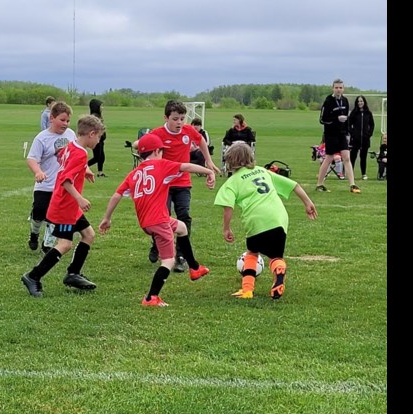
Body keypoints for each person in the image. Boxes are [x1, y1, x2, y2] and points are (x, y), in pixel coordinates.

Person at [98, 133, 216, 307]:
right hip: (159, 222)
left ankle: (194, 268)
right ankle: (151, 297)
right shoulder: (162, 164)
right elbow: (187, 167)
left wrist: (107, 218)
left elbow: (116, 195)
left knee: (182, 228)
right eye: (162, 151)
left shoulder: (133, 174)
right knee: (168, 261)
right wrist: (209, 171)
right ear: (157, 151)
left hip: (147, 222)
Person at [215, 141, 318, 300]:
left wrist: (226, 228)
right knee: (276, 256)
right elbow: (294, 185)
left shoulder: (233, 181)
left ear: (230, 162)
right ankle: (279, 270)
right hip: (279, 218)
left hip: (257, 220)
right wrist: (308, 203)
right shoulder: (263, 171)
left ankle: (247, 290)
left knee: (252, 253)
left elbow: (228, 207)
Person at [21, 114, 105, 297]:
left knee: (89, 235)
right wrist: (80, 199)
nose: (99, 141)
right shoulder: (81, 153)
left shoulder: (71, 145)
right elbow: (66, 181)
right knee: (65, 244)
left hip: (69, 205)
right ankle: (33, 276)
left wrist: (85, 169)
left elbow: (63, 160)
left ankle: (73, 274)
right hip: (65, 205)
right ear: (91, 134)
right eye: (98, 137)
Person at [145, 100, 220, 271]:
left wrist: (208, 160)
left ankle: (180, 255)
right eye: (175, 119)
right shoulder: (157, 134)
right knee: (162, 216)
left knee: (184, 216)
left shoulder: (188, 131)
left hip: (183, 182)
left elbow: (200, 141)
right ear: (166, 117)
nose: (179, 122)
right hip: (163, 184)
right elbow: (146, 150)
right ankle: (157, 245)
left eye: (182, 119)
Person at [25, 101, 76, 253]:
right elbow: (32, 158)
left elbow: (75, 155)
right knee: (39, 212)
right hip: (45, 184)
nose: (65, 124)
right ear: (51, 118)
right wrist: (38, 172)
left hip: (62, 185)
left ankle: (47, 244)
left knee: (55, 215)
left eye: (68, 121)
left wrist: (85, 169)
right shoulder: (42, 138)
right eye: (62, 120)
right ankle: (34, 234)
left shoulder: (71, 135)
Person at [314, 79, 361, 193]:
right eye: (336, 88)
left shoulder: (345, 101)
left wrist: (347, 131)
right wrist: (336, 119)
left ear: (343, 89)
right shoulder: (328, 101)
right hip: (330, 134)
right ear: (333, 88)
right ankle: (319, 184)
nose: (338, 90)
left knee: (346, 157)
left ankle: (352, 185)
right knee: (329, 158)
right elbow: (322, 119)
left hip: (342, 134)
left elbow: (346, 118)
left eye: (340, 88)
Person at [348, 95, 376, 180]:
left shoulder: (368, 113)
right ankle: (351, 173)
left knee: (363, 157)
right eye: (358, 101)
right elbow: (349, 124)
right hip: (355, 139)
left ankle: (364, 174)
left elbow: (372, 124)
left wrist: (369, 134)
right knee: (353, 156)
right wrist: (353, 134)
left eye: (361, 101)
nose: (360, 103)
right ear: (357, 103)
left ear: (364, 102)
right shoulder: (354, 112)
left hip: (365, 139)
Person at [86, 98, 108, 177]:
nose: (102, 108)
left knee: (102, 156)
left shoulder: (99, 116)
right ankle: (83, 166)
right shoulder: (94, 117)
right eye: (100, 106)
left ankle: (100, 172)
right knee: (97, 157)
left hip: (101, 140)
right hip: (96, 140)